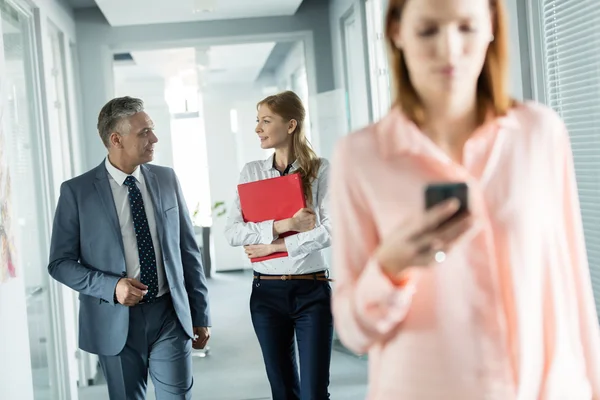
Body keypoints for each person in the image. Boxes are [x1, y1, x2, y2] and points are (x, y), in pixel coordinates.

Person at [330, 0, 600, 398]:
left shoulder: (540, 133)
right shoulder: (360, 156)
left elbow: (572, 283)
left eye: (466, 28)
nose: (450, 50)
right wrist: (391, 265)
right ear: (396, 31)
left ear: (491, 25)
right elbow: (354, 333)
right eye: (428, 31)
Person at [48, 96, 211, 399]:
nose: (154, 139)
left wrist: (200, 313)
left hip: (169, 314)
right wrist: (112, 287)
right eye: (144, 132)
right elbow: (60, 263)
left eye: (152, 130)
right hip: (114, 320)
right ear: (116, 139)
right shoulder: (77, 192)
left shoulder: (166, 178)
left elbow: (188, 251)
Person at [225, 90, 333, 400]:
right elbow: (233, 232)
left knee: (314, 393)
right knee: (283, 391)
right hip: (266, 295)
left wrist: (274, 248)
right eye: (257, 121)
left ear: (290, 125)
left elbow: (331, 229)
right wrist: (284, 226)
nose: (257, 128)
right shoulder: (252, 172)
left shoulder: (320, 169)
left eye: (266, 120)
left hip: (311, 292)